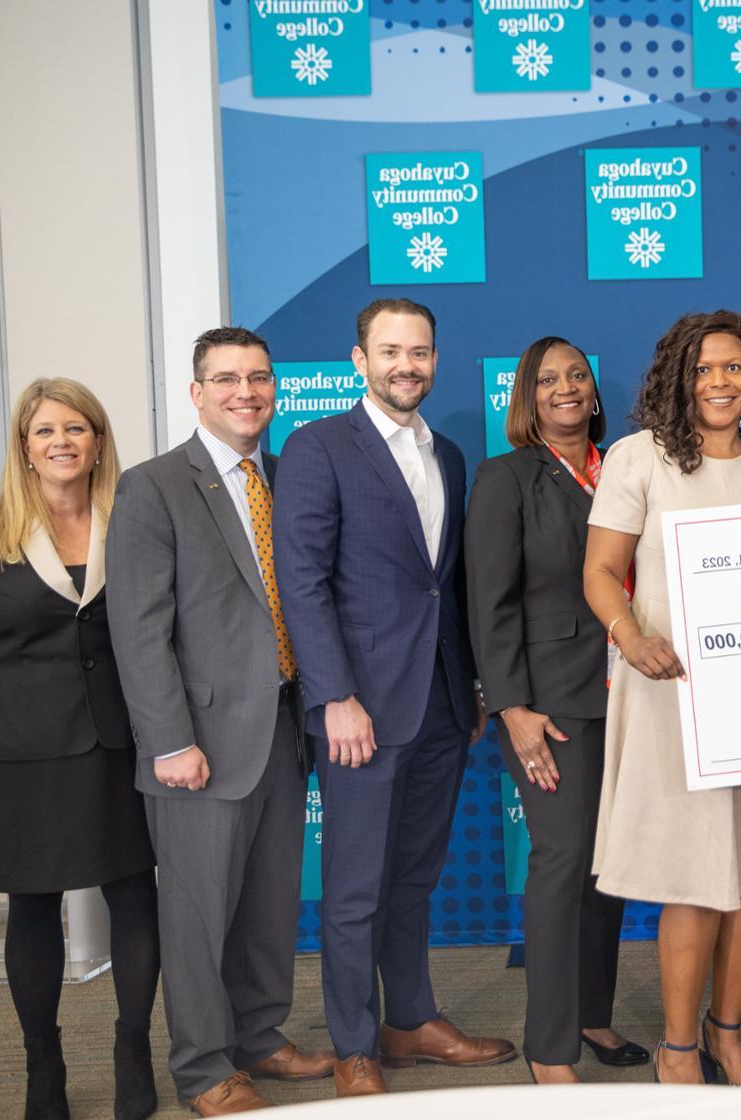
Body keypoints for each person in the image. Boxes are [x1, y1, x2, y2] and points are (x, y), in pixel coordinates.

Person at [582, 309, 741, 1087]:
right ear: (677, 379)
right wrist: (632, 637)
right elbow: (598, 573)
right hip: (672, 697)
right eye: (703, 369)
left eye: (733, 368)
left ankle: (728, 1036)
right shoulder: (639, 459)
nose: (719, 382)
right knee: (695, 881)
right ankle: (678, 1048)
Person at [274, 298, 511, 1097]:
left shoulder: (446, 453)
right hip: (361, 712)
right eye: (390, 351)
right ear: (358, 360)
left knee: (412, 878)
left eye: (420, 351)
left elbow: (446, 586)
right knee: (352, 890)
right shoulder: (316, 447)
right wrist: (333, 696)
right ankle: (354, 1045)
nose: (406, 364)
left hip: (442, 702)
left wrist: (471, 683)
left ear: (436, 359)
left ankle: (408, 1020)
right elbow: (300, 583)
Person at [106, 328, 333, 1116]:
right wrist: (170, 741)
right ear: (197, 393)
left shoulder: (284, 478)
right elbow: (138, 629)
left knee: (270, 902)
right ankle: (204, 1068)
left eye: (260, 378)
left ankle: (261, 1037)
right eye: (227, 379)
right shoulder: (155, 486)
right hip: (196, 742)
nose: (247, 392)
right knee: (200, 916)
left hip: (282, 727)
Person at [0, 379, 159, 1120]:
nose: (61, 441)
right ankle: (43, 1069)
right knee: (33, 908)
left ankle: (133, 1056)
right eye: (44, 431)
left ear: (98, 440)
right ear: (24, 448)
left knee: (134, 897)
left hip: (118, 744)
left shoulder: (133, 520)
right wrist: (12, 716)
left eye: (76, 427)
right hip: (21, 756)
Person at [465, 336, 648, 1084]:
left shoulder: (630, 467)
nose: (566, 388)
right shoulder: (507, 478)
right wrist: (511, 708)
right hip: (549, 706)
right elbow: (489, 602)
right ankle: (548, 1049)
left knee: (610, 868)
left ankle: (591, 1015)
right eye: (548, 380)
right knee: (563, 860)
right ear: (527, 397)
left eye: (577, 375)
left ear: (595, 390)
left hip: (633, 695)